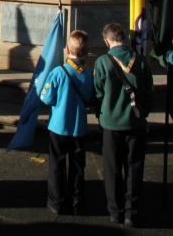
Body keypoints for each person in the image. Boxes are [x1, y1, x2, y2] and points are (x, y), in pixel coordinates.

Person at [93, 23, 154, 227]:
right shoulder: (142, 62)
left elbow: (98, 93)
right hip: (135, 123)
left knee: (111, 169)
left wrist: (101, 114)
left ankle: (115, 211)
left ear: (106, 41)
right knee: (134, 167)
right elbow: (148, 93)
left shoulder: (102, 62)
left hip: (110, 124)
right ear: (126, 40)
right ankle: (131, 212)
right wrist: (143, 113)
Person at [40, 30, 94, 215]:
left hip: (58, 126)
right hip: (79, 127)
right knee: (78, 166)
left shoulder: (58, 72)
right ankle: (76, 202)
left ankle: (56, 201)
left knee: (57, 164)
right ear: (87, 51)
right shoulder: (89, 74)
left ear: (68, 49)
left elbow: (46, 98)